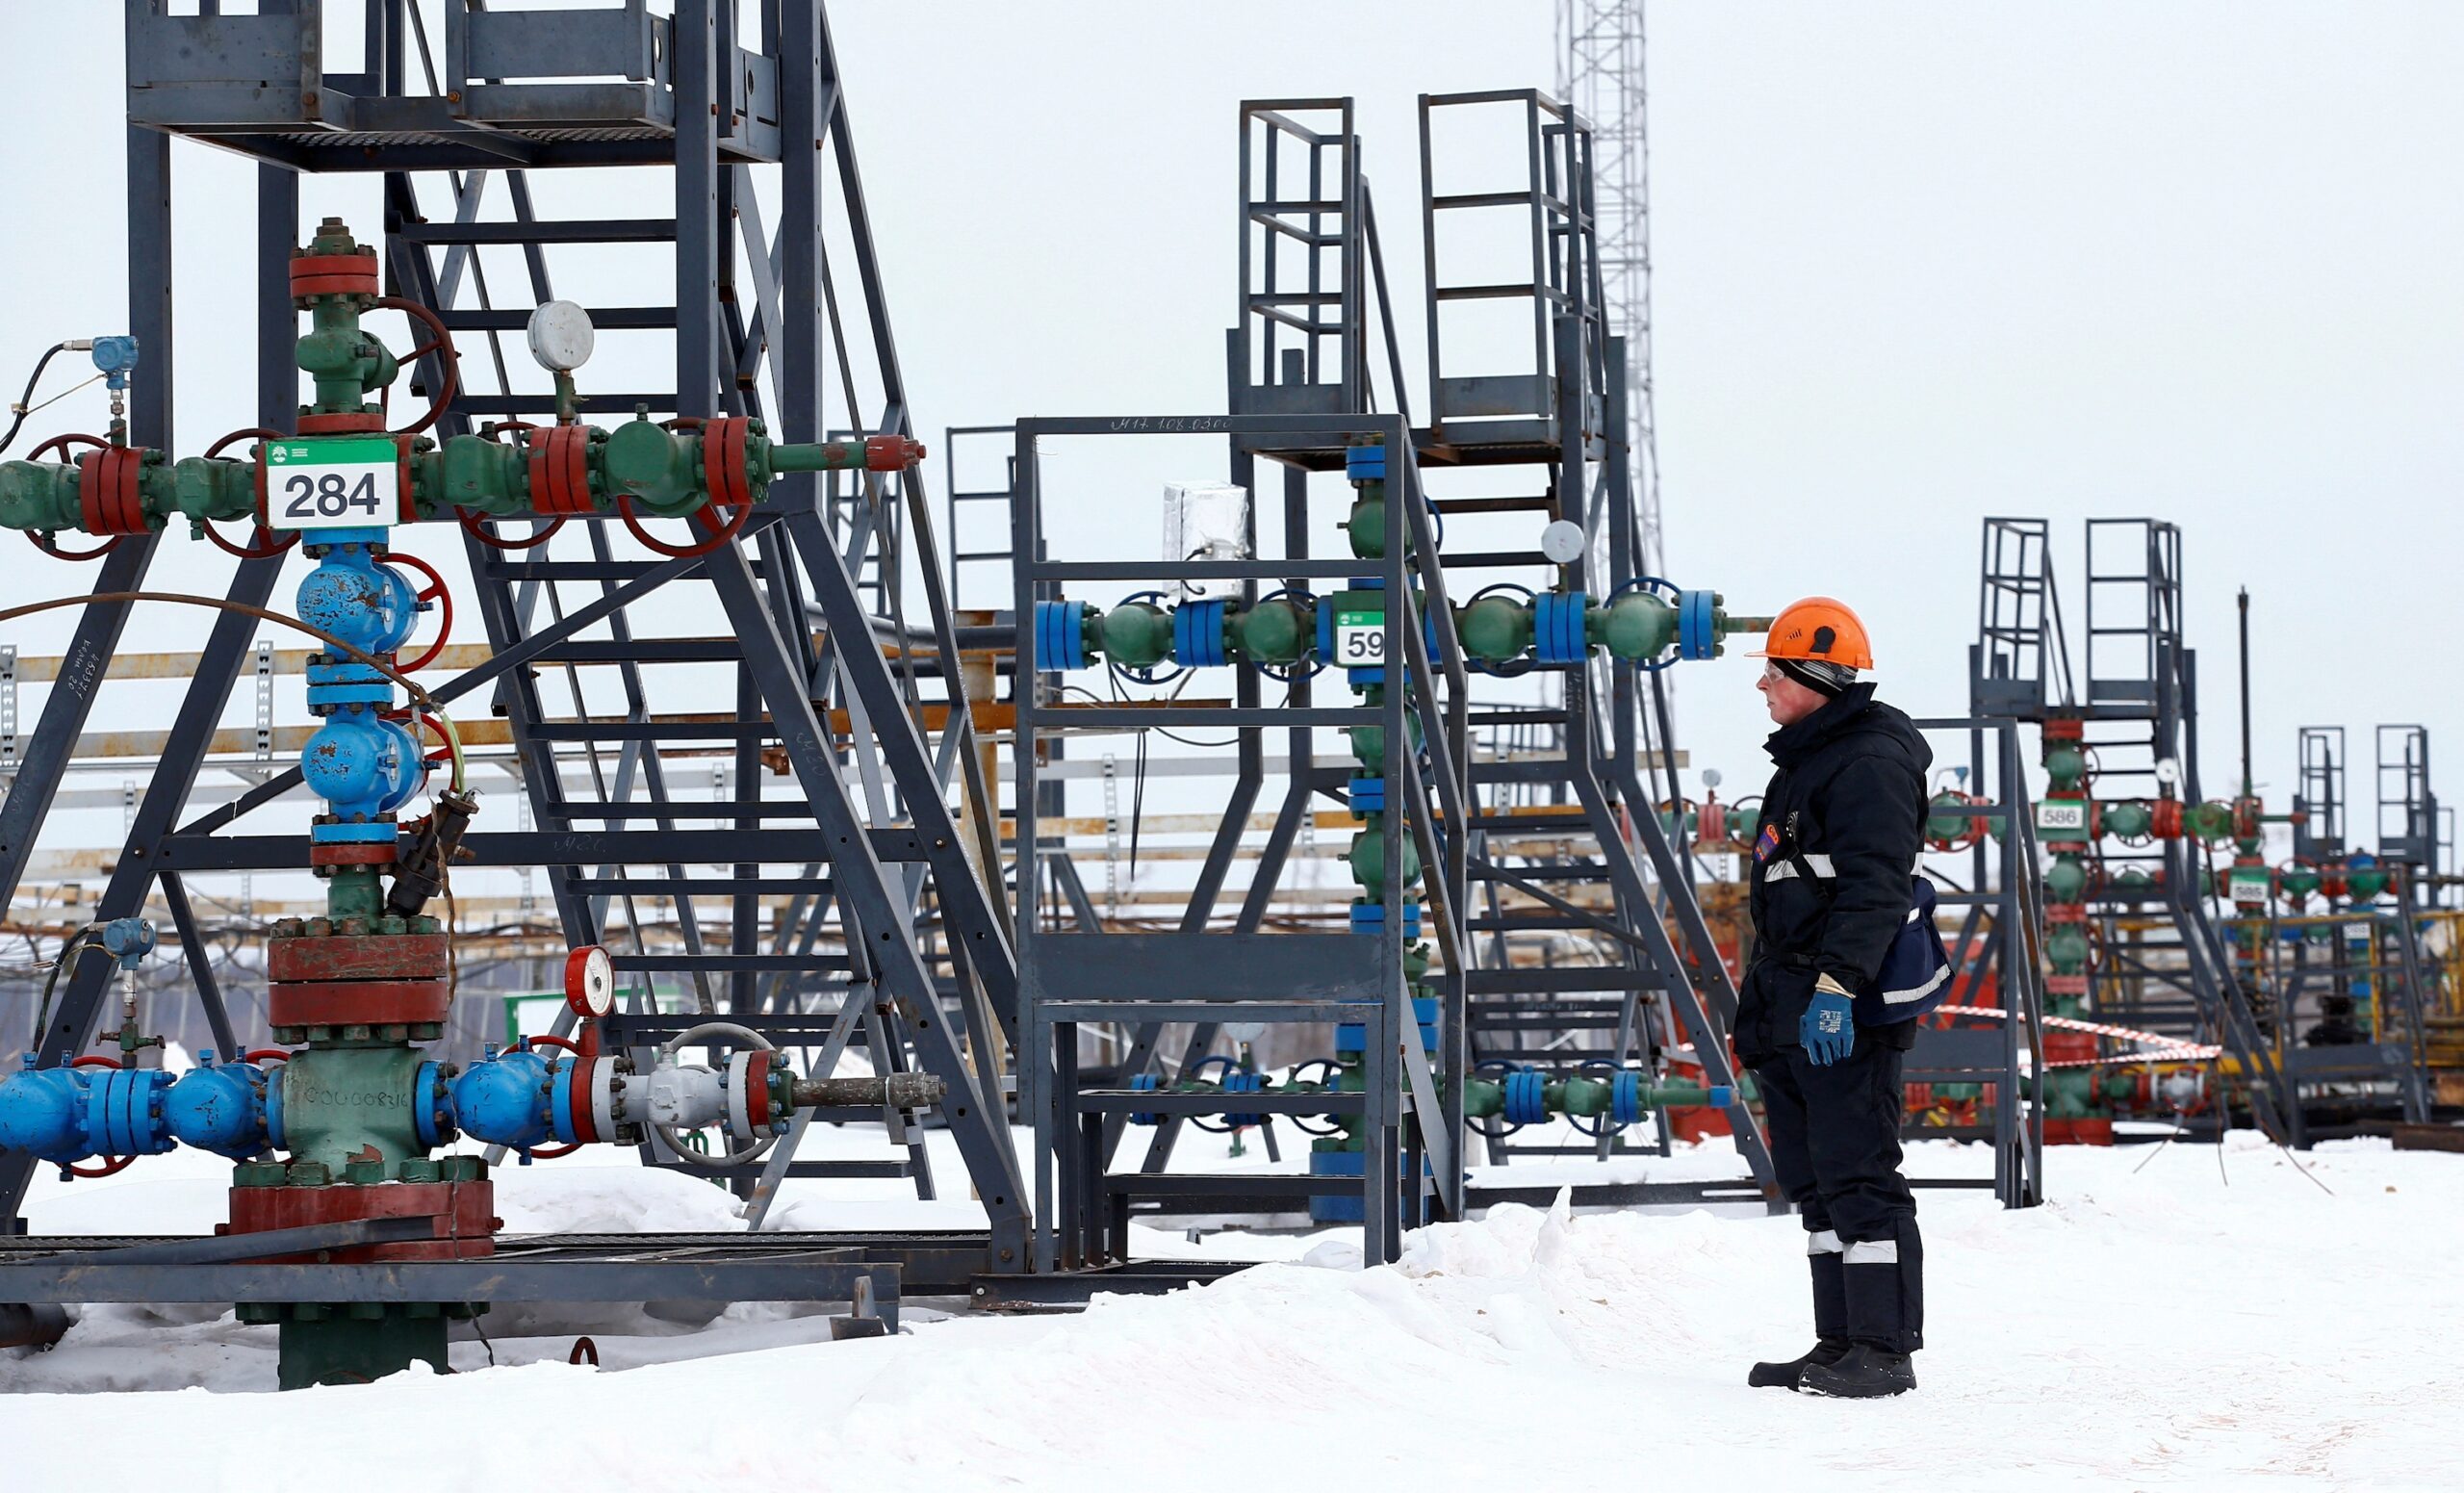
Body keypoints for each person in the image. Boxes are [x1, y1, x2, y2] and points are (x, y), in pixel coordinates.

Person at [1734, 597, 1937, 1398]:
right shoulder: (1805, 760)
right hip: (1792, 1005)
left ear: (1813, 675)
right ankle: (1838, 1342)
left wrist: (1834, 987)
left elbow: (1874, 889)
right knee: (1815, 1182)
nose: (1764, 689)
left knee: (1859, 1175)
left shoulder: (1870, 762)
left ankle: (1884, 1350)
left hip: (1840, 1008)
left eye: (1774, 673)